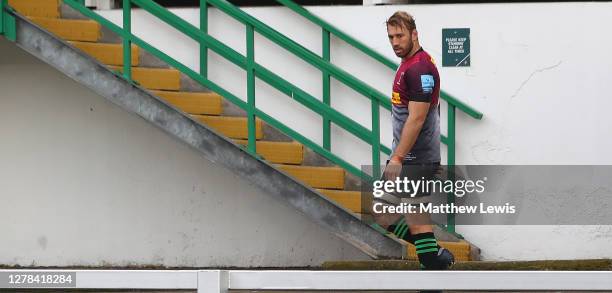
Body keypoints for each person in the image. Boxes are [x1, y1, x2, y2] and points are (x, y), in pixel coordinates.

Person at [374, 11, 454, 274]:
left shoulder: (420, 68)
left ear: (414, 34)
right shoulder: (408, 63)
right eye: (391, 37)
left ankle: (436, 263)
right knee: (384, 216)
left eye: (400, 35)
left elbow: (417, 118)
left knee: (416, 223)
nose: (395, 42)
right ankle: (434, 256)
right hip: (407, 158)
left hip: (415, 160)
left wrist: (397, 158)